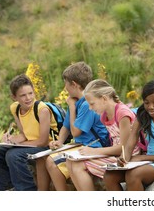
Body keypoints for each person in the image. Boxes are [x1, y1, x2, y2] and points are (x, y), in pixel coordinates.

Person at [36, 62, 109, 191]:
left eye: (66, 84)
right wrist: (59, 141)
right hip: (80, 145)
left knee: (52, 162)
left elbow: (75, 133)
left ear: (74, 84)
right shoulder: (76, 101)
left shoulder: (87, 104)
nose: (65, 88)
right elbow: (66, 127)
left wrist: (71, 107)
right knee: (46, 159)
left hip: (93, 146)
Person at [103, 79, 154, 191]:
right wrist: (124, 159)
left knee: (133, 174)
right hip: (149, 162)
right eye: (146, 103)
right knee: (109, 176)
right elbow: (131, 140)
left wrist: (143, 157)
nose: (150, 107)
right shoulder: (143, 116)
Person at [0, 74, 58, 191]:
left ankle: (26, 190)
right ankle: (7, 187)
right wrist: (11, 140)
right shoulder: (15, 108)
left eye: (30, 93)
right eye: (23, 95)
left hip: (48, 146)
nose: (28, 98)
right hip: (30, 144)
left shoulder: (42, 110)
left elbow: (43, 142)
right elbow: (24, 134)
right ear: (14, 97)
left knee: (13, 155)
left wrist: (18, 145)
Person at [67, 79, 141, 190]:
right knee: (70, 161)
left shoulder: (122, 113)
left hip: (129, 157)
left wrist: (94, 151)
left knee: (78, 165)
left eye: (92, 104)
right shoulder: (104, 115)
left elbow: (124, 148)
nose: (91, 108)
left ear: (104, 99)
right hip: (116, 154)